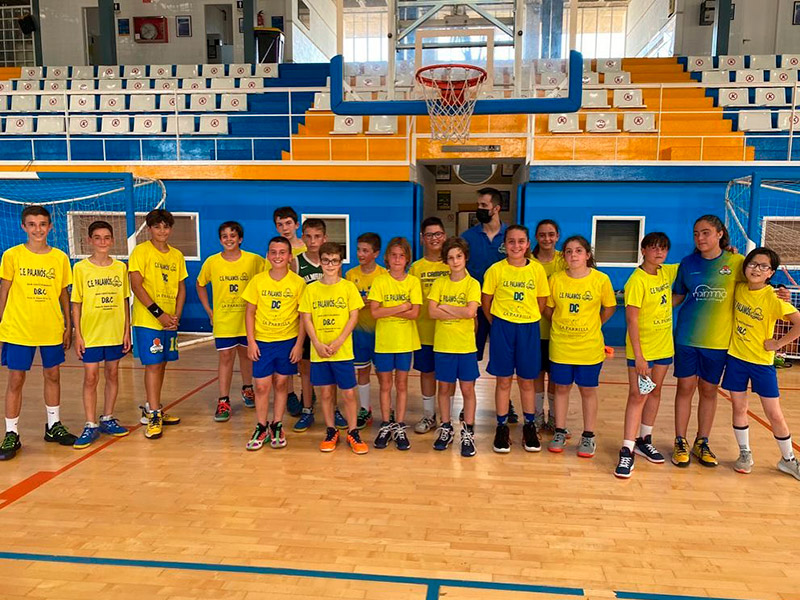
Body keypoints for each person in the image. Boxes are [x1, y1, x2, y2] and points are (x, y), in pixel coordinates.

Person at [0, 205, 75, 460]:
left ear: (50, 226)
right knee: (16, 380)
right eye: (32, 224)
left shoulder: (60, 258)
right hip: (19, 328)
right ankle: (11, 433)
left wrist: (69, 325)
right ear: (23, 227)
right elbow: (4, 290)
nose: (38, 229)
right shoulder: (12, 255)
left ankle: (53, 426)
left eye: (42, 224)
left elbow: (64, 293)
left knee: (52, 375)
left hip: (51, 327)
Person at [670, 215, 744, 468]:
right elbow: (677, 296)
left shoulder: (736, 262)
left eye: (705, 233)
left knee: (709, 391)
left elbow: (755, 288)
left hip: (718, 341)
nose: (700, 238)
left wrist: (779, 293)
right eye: (696, 234)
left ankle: (702, 442)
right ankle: (680, 441)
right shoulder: (687, 263)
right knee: (685, 388)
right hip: (687, 337)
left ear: (720, 234)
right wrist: (651, 307)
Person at [721, 247, 800, 480]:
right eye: (753, 264)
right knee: (739, 408)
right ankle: (745, 453)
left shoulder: (774, 298)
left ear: (770, 272)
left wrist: (778, 344)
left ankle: (788, 459)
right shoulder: (739, 288)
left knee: (774, 413)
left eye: (763, 266)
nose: (756, 269)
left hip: (762, 363)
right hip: (736, 358)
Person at [545, 235, 616, 458]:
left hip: (589, 347)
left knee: (587, 390)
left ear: (587, 255)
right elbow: (548, 309)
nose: (573, 255)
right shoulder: (556, 279)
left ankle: (588, 435)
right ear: (563, 256)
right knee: (562, 388)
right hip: (562, 346)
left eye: (578, 251)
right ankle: (559, 430)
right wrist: (561, 323)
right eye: (568, 251)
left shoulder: (601, 279)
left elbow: (609, 307)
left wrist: (594, 324)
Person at [482, 225, 550, 454]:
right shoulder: (495, 270)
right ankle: (501, 427)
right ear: (505, 244)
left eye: (521, 241)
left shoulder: (537, 270)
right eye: (511, 241)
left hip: (529, 327)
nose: (516, 246)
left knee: (527, 380)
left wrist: (526, 317)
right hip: (502, 327)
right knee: (503, 380)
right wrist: (500, 323)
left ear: (528, 243)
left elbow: (541, 302)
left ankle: (529, 425)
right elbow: (486, 302)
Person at [614, 233, 677, 478]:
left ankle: (644, 439)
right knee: (638, 395)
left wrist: (731, 252)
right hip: (643, 349)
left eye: (663, 248)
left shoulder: (666, 272)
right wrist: (639, 356)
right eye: (653, 248)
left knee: (655, 391)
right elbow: (631, 319)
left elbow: (697, 261)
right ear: (643, 250)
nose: (658, 252)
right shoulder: (636, 281)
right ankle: (626, 450)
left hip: (664, 346)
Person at [300, 242, 369, 454]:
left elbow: (354, 316)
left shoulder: (348, 287)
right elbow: (306, 318)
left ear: (340, 263)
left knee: (348, 393)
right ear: (320, 262)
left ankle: (353, 431)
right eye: (326, 260)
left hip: (342, 351)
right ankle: (331, 431)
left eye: (335, 261)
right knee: (327, 393)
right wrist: (317, 344)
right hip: (320, 352)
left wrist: (338, 341)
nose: (330, 264)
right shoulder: (311, 289)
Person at [196, 221, 266, 422]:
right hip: (224, 320)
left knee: (246, 355)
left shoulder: (254, 261)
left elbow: (268, 277)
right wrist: (209, 310)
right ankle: (223, 400)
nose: (229, 239)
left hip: (248, 319)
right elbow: (200, 285)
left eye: (232, 235)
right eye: (224, 236)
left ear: (240, 239)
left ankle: (247, 389)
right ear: (220, 240)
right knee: (226, 357)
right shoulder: (212, 262)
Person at [241, 236, 306, 450]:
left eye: (282, 252)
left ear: (289, 257)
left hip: (287, 341)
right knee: (261, 385)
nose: (277, 256)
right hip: (263, 342)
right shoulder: (258, 281)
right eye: (273, 252)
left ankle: (277, 424)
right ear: (268, 255)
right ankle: (261, 425)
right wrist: (251, 341)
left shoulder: (298, 283)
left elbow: (303, 317)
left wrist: (298, 345)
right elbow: (249, 312)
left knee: (281, 383)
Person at [71, 220, 132, 449]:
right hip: (91, 333)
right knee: (91, 377)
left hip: (114, 332)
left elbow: (125, 301)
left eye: (107, 237)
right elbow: (76, 303)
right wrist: (78, 334)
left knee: (113, 374)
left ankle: (107, 418)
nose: (103, 242)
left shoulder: (120, 268)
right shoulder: (80, 269)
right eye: (98, 237)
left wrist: (127, 331)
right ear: (90, 241)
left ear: (113, 241)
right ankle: (90, 424)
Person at [129, 208, 187, 439]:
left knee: (162, 363)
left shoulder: (176, 255)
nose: (162, 231)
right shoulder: (141, 252)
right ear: (150, 229)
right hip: (149, 320)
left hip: (169, 321)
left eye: (166, 226)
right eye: (157, 227)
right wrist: (159, 314)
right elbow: (136, 285)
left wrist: (176, 317)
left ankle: (153, 407)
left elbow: (182, 288)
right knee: (152, 365)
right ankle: (153, 413)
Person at [461, 187, 518, 423]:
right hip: (475, 306)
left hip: (502, 308)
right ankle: (468, 403)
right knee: (471, 356)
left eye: (484, 205)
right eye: (479, 205)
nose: (479, 209)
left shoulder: (511, 236)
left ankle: (507, 404)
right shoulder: (468, 237)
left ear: (496, 208)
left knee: (504, 358)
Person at [427, 237, 481, 457]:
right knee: (445, 389)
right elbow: (431, 312)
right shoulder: (440, 283)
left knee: (467, 390)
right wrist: (458, 310)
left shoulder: (472, 284)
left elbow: (470, 313)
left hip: (466, 346)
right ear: (445, 261)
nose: (455, 261)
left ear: (465, 257)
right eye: (450, 257)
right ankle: (446, 428)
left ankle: (468, 431)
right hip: (444, 345)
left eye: (458, 256)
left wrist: (446, 307)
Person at [368, 237, 422, 451]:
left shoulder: (413, 282)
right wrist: (402, 306)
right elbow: (374, 312)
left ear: (407, 258)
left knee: (401, 385)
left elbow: (415, 313)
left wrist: (387, 310)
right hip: (384, 341)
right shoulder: (380, 281)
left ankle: (399, 424)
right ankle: (385, 423)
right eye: (393, 255)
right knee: (384, 385)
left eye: (401, 255)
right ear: (387, 258)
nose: (397, 259)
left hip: (404, 341)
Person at [408, 217, 450, 434]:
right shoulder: (416, 268)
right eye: (429, 235)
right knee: (427, 372)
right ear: (422, 239)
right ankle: (428, 415)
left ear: (444, 236)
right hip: (424, 331)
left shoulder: (452, 263)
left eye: (438, 234)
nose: (434, 238)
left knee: (446, 376)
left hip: (449, 333)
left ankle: (447, 418)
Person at [345, 232, 386, 430]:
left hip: (381, 332)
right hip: (359, 332)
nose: (360, 254)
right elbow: (348, 303)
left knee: (383, 373)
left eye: (365, 250)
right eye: (359, 249)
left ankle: (388, 409)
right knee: (362, 371)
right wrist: (361, 303)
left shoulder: (384, 275)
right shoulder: (351, 275)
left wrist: (374, 303)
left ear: (376, 253)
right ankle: (364, 409)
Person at [531, 219, 565, 433]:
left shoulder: (565, 259)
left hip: (559, 331)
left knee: (555, 376)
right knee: (536, 374)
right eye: (542, 235)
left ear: (557, 236)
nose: (547, 239)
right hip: (534, 329)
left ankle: (553, 417)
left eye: (551, 234)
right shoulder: (528, 262)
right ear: (536, 237)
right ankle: (535, 416)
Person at [272, 206, 307, 417]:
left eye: (288, 223)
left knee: (306, 358)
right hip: (287, 310)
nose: (284, 228)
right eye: (279, 224)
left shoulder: (308, 248)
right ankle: (291, 393)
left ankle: (307, 392)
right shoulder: (277, 251)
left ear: (296, 224)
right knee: (290, 355)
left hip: (310, 308)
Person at [293, 217, 327, 433]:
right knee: (305, 369)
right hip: (304, 324)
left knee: (327, 368)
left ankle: (332, 409)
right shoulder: (296, 261)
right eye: (309, 236)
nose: (313, 241)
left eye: (317, 236)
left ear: (325, 238)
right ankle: (307, 409)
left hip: (326, 324)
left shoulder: (331, 260)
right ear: (303, 237)